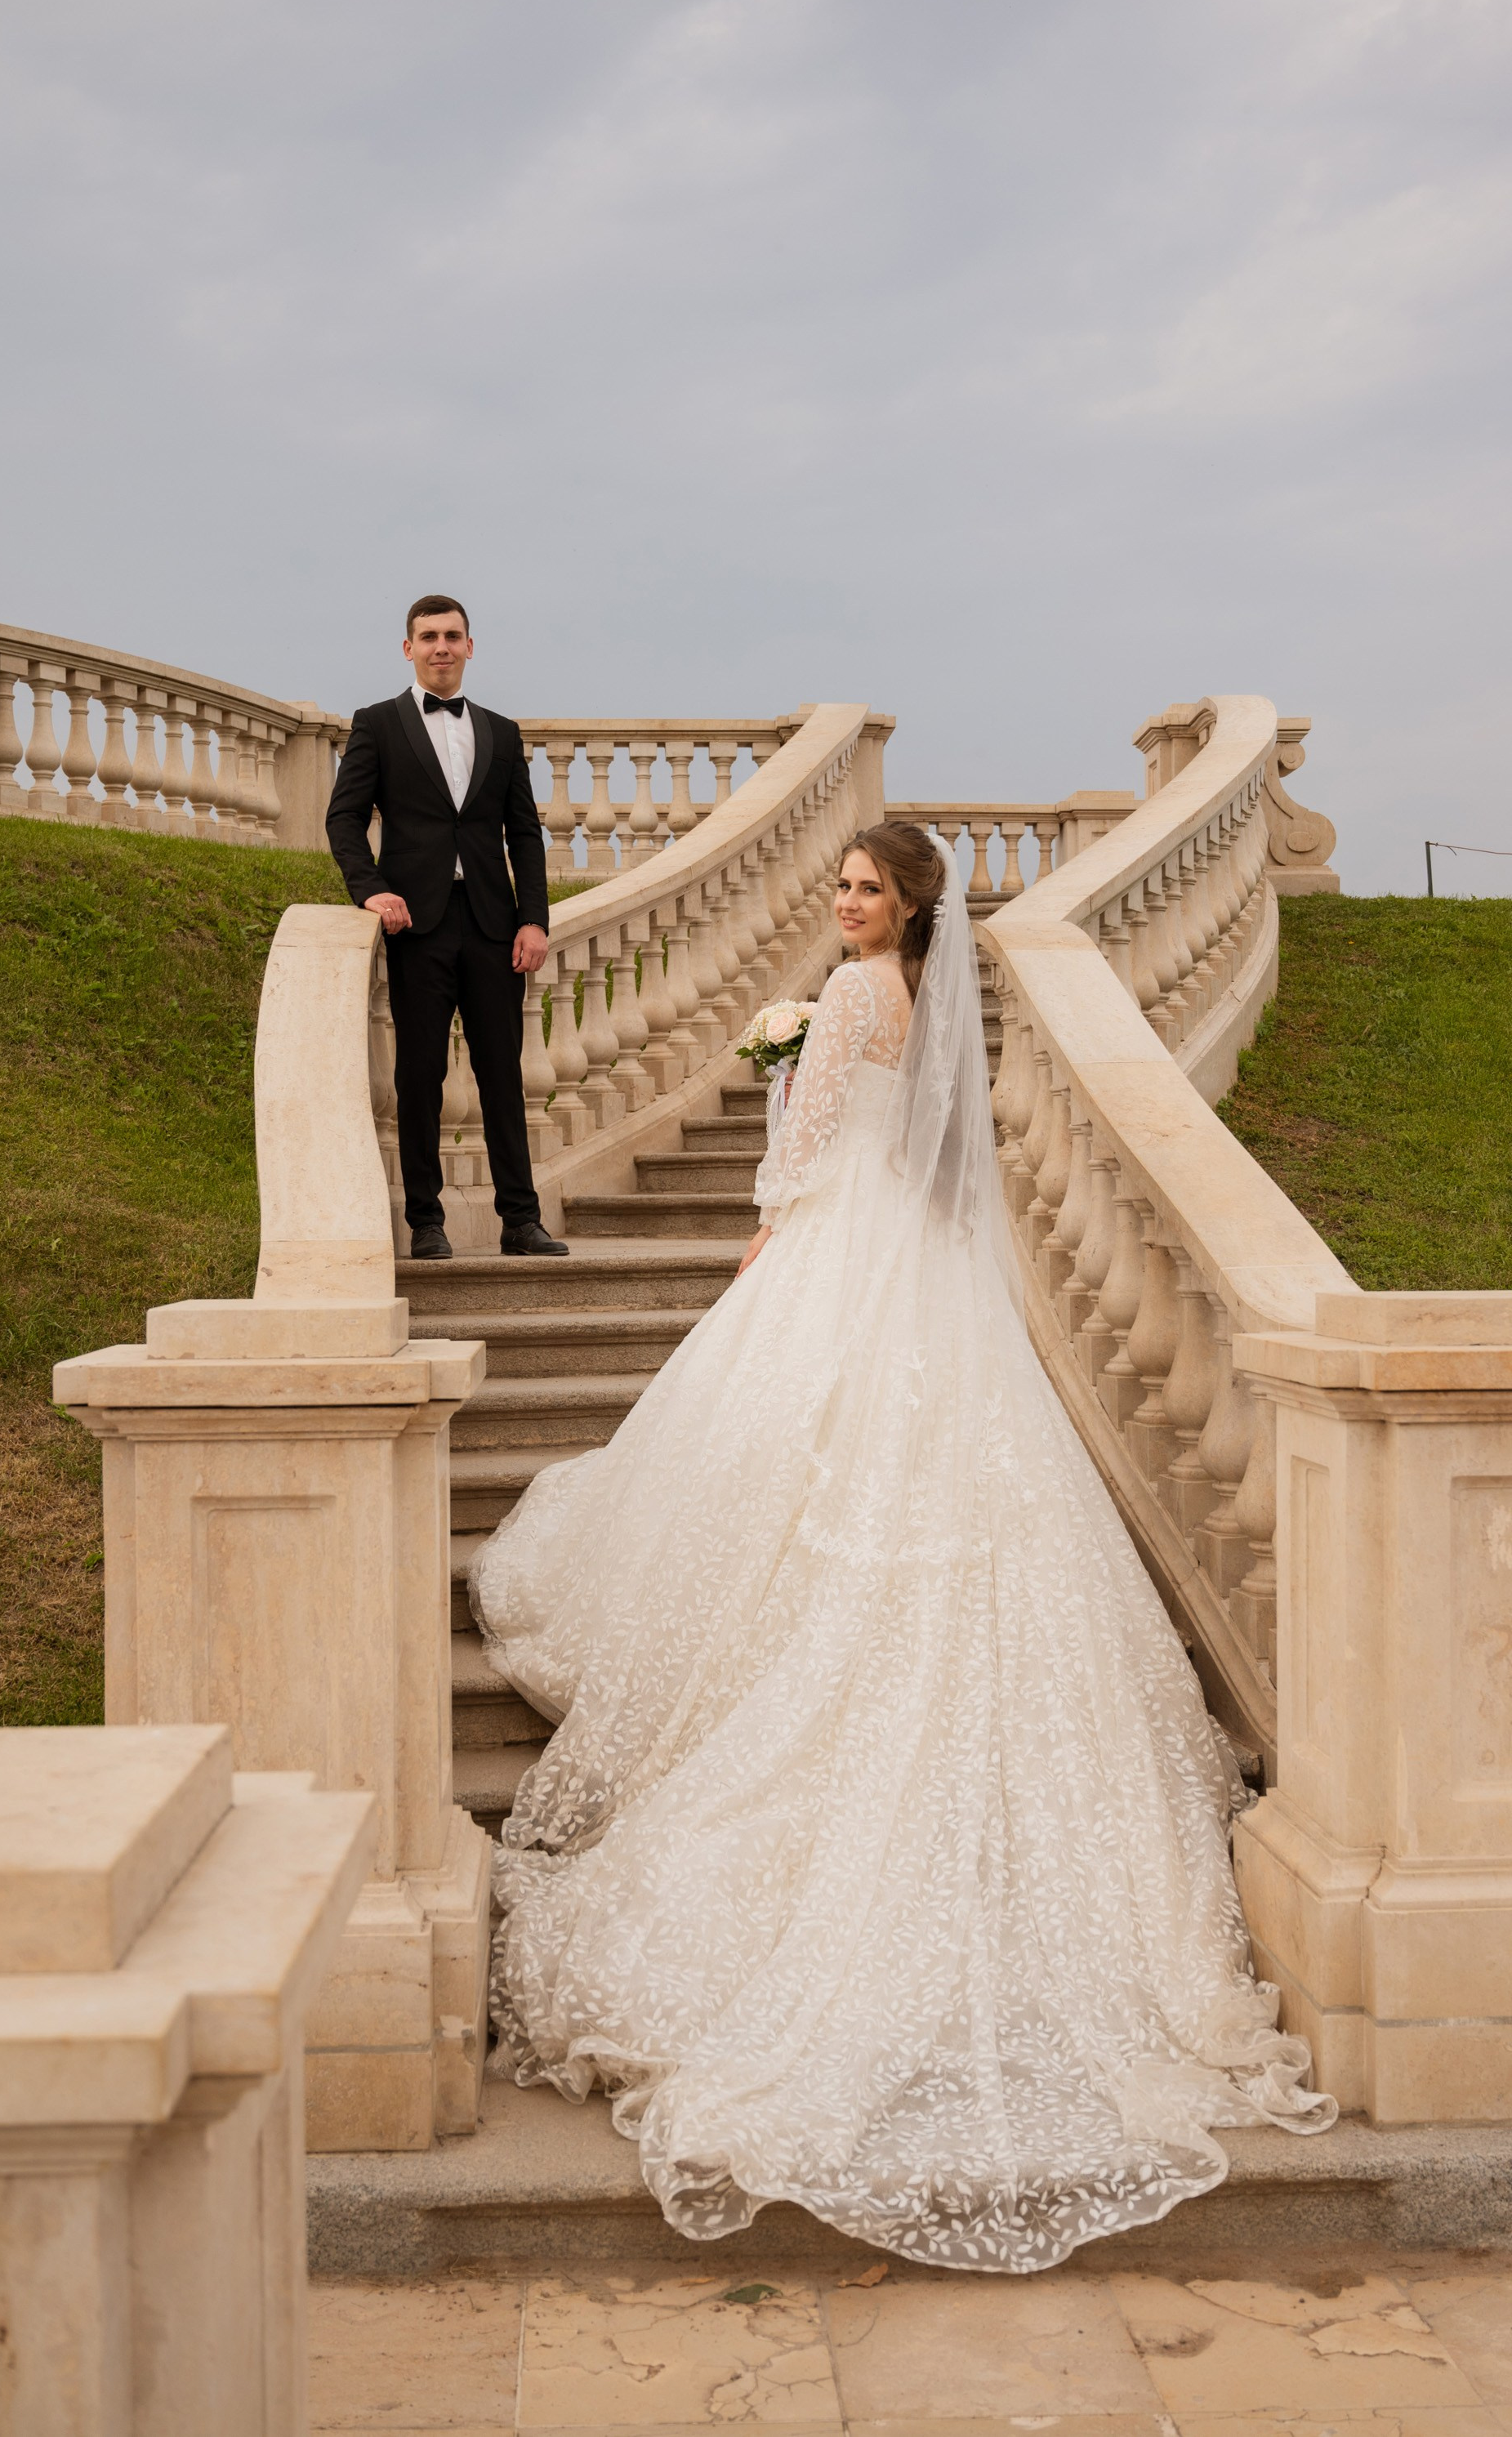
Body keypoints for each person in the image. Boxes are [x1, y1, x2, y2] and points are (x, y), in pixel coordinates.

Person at [469, 822, 1333, 2274]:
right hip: (922, 1261)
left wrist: (765, 1216)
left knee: (773, 1466)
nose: (846, 901)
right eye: (844, 885)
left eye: (866, 888)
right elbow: (935, 1156)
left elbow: (803, 1155)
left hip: (838, 1250)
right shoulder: (922, 1001)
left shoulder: (858, 997)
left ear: (908, 903)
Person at [326, 594, 568, 1258]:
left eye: (452, 636)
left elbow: (524, 834)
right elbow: (343, 819)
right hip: (419, 927)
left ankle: (521, 1220)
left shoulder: (501, 731)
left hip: (493, 925)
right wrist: (371, 891)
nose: (441, 647)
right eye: (428, 637)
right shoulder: (376, 724)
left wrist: (533, 920)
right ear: (408, 648)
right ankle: (425, 1224)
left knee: (502, 1076)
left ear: (469, 646)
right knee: (420, 1076)